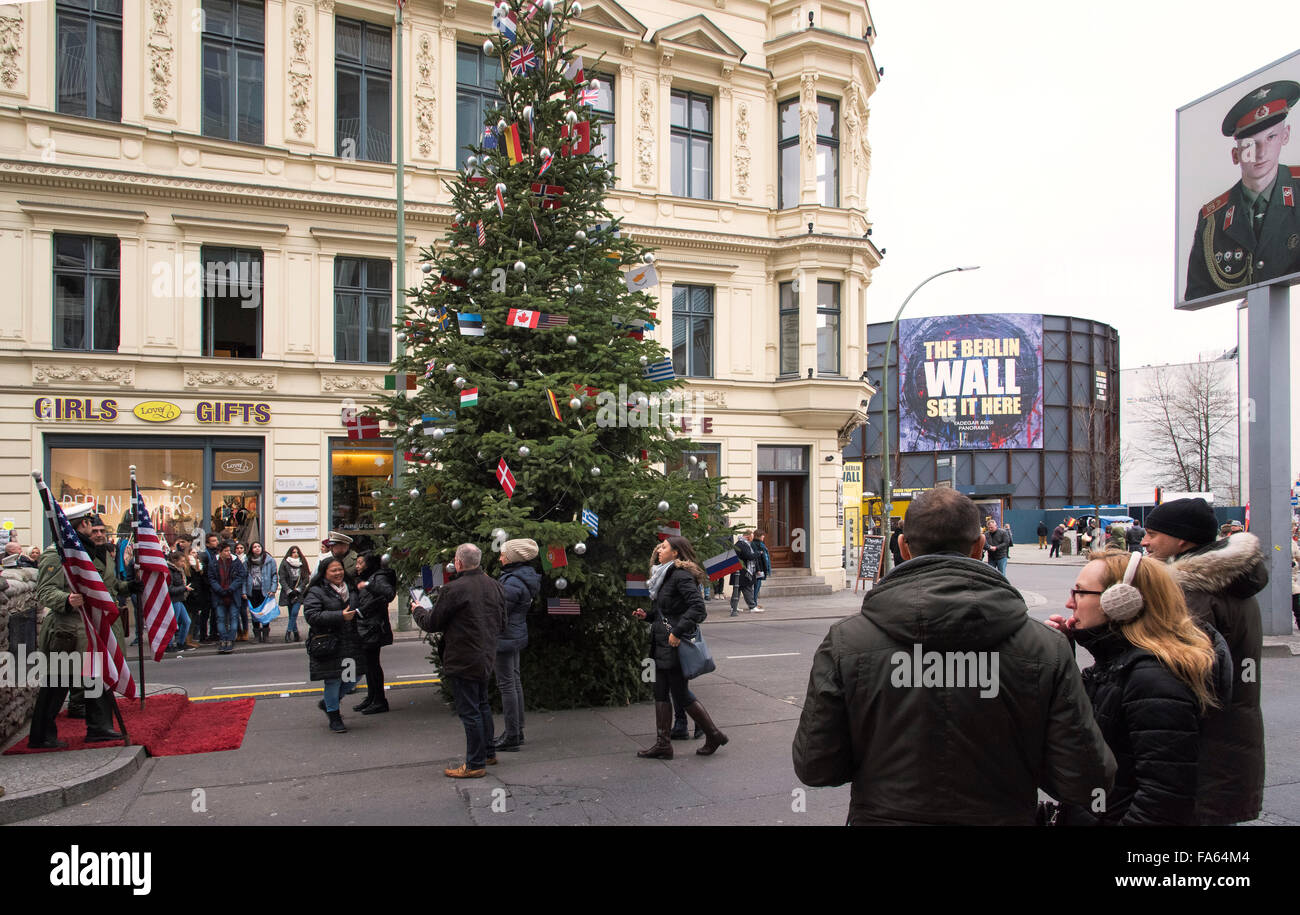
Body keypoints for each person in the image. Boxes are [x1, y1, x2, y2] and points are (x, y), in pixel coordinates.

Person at [792, 487, 1115, 825]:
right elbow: (1085, 777)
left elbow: (816, 766)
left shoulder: (846, 642)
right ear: (978, 547)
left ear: (903, 547)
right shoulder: (1046, 647)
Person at [1044, 550, 1225, 825]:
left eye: (1080, 592)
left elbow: (1163, 800)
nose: (1070, 603)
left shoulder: (1154, 679)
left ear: (1120, 603)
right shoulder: (1118, 664)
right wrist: (1064, 658)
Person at [1141, 498, 1267, 825]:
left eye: (1153, 533)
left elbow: (1173, 675)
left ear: (1182, 539)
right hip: (1228, 747)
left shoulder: (1191, 591)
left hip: (1200, 753)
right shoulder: (1230, 583)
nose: (1144, 541)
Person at [1184, 80, 1300, 301]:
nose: (1261, 152)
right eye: (1249, 144)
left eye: (1271, 137)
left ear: (1285, 136)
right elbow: (1198, 297)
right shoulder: (1212, 220)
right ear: (1235, 155)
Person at [29, 502, 125, 748]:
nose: (93, 528)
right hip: (65, 629)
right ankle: (42, 736)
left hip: (87, 626)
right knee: (56, 684)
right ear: (82, 525)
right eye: (89, 523)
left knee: (96, 677)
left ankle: (99, 727)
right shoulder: (56, 555)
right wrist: (66, 599)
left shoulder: (83, 553)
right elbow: (45, 591)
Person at [412, 543, 506, 777]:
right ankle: (488, 752)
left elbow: (432, 623)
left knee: (470, 711)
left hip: (462, 656)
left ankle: (475, 764)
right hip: (485, 654)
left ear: (459, 562)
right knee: (482, 704)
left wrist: (418, 610)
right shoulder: (494, 585)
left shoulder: (453, 589)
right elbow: (502, 622)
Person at [633, 535, 728, 759]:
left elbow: (698, 609)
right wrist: (647, 616)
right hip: (661, 642)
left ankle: (713, 734)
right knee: (661, 692)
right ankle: (663, 744)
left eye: (664, 547)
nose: (659, 550)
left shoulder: (681, 576)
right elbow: (665, 611)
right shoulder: (663, 575)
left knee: (681, 693)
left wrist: (677, 632)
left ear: (675, 552)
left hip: (674, 644)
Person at [303, 555, 365, 733]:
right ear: (324, 573)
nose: (338, 573)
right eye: (333, 570)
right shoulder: (316, 591)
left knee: (355, 676)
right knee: (333, 680)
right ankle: (334, 715)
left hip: (350, 641)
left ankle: (328, 702)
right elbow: (311, 616)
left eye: (340, 569)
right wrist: (339, 616)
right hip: (328, 642)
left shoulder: (351, 589)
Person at [493, 539, 540, 751]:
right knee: (514, 681)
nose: (500, 557)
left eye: (503, 554)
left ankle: (512, 734)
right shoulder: (522, 577)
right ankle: (517, 730)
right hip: (515, 634)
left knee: (507, 685)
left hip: (504, 637)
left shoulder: (512, 581)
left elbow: (500, 612)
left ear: (512, 558)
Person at [353, 551, 395, 715]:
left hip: (374, 626)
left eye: (360, 563)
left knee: (373, 664)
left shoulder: (378, 577)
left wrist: (368, 585)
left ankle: (379, 700)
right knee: (369, 664)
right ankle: (372, 697)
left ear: (369, 564)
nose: (357, 566)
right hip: (368, 626)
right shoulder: (370, 577)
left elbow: (389, 593)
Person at [206, 540, 247, 654]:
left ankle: (230, 639)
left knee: (234, 617)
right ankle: (223, 639)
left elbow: (241, 576)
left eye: (229, 550)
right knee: (220, 618)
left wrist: (231, 588)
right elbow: (211, 578)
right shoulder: (214, 562)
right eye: (226, 551)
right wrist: (219, 589)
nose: (229, 553)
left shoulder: (235, 561)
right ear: (220, 552)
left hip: (233, 594)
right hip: (219, 595)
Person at [243, 541, 277, 643]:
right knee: (255, 613)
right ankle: (257, 636)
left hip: (265, 591)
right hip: (252, 590)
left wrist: (273, 589)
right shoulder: (247, 561)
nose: (257, 548)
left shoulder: (269, 560)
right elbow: (244, 578)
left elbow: (274, 575)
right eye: (254, 547)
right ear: (251, 550)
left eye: (259, 546)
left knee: (265, 612)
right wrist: (244, 591)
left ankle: (266, 635)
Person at [165, 547, 195, 652]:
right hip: (173, 600)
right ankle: (168, 645)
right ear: (175, 561)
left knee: (187, 621)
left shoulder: (178, 570)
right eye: (182, 561)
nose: (183, 563)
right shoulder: (170, 571)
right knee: (173, 623)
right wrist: (184, 588)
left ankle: (181, 643)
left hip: (179, 599)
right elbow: (169, 589)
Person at [279, 545, 310, 643]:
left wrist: (299, 589)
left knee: (294, 612)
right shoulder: (285, 563)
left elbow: (306, 578)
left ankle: (288, 633)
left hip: (299, 593)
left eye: (297, 552)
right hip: (288, 592)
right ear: (290, 553)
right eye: (293, 552)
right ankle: (296, 633)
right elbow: (282, 578)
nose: (295, 554)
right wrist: (288, 590)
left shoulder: (302, 563)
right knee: (291, 613)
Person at [728, 530, 758, 616]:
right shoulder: (742, 544)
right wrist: (758, 553)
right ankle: (752, 606)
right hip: (742, 571)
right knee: (746, 588)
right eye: (751, 537)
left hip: (739, 570)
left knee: (737, 589)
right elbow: (748, 556)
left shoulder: (740, 543)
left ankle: (734, 607)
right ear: (748, 536)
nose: (752, 539)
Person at [751, 530, 772, 610]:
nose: (764, 537)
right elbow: (757, 558)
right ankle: (754, 604)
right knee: (756, 586)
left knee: (758, 586)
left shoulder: (760, 544)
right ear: (758, 536)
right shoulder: (755, 544)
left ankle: (754, 603)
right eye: (762, 535)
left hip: (761, 568)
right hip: (758, 568)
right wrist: (758, 569)